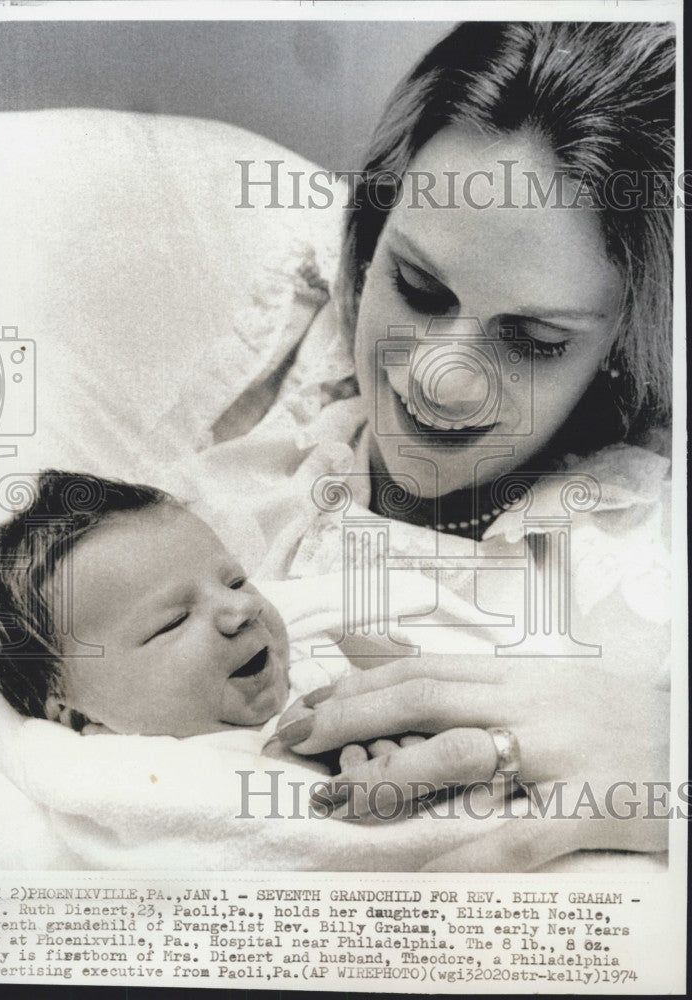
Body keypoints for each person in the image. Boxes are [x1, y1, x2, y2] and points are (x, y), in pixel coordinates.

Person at [260, 20, 675, 869]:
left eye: (532, 339)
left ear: (619, 353)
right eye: (416, 288)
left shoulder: (649, 551)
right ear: (368, 245)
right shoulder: (263, 462)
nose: (444, 379)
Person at [0, 469, 293, 739]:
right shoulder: (135, 783)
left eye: (235, 582)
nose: (243, 608)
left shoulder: (323, 641)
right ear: (79, 716)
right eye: (175, 621)